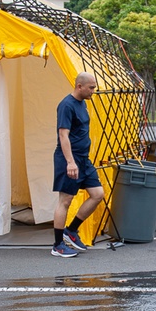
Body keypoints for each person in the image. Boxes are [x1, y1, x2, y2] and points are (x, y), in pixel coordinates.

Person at [52, 72, 104, 258]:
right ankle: (57, 245)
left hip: (83, 159)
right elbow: (63, 135)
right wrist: (70, 162)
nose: (93, 91)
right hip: (69, 159)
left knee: (98, 194)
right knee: (65, 200)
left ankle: (71, 230)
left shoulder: (82, 104)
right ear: (79, 86)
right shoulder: (67, 105)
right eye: (91, 87)